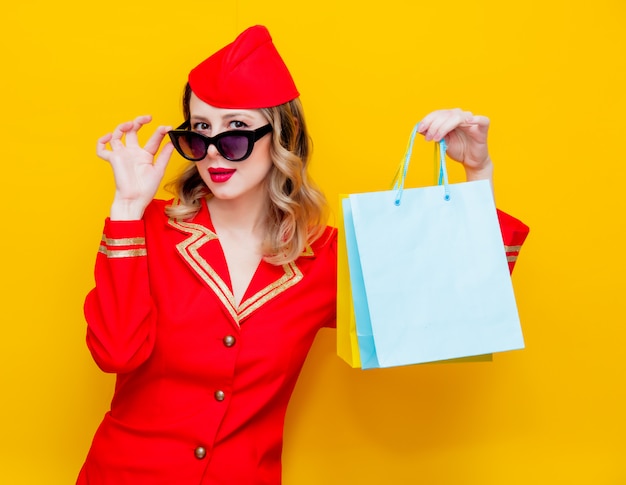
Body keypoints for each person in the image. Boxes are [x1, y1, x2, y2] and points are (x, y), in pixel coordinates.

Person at [78, 25, 529, 485]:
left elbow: (455, 300)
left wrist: (478, 170)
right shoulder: (149, 228)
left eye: (235, 130)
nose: (214, 151)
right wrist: (127, 208)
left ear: (281, 135)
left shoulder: (323, 255)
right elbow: (116, 352)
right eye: (200, 131)